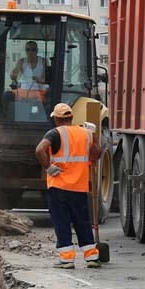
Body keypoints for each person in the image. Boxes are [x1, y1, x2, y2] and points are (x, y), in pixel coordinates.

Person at [35, 103, 102, 269]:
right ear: (71, 118)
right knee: (82, 222)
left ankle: (66, 259)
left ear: (57, 119)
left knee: (62, 222)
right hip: (79, 187)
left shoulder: (54, 133)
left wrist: (49, 168)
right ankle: (91, 257)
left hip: (59, 187)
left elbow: (39, 150)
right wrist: (92, 136)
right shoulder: (85, 134)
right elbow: (97, 154)